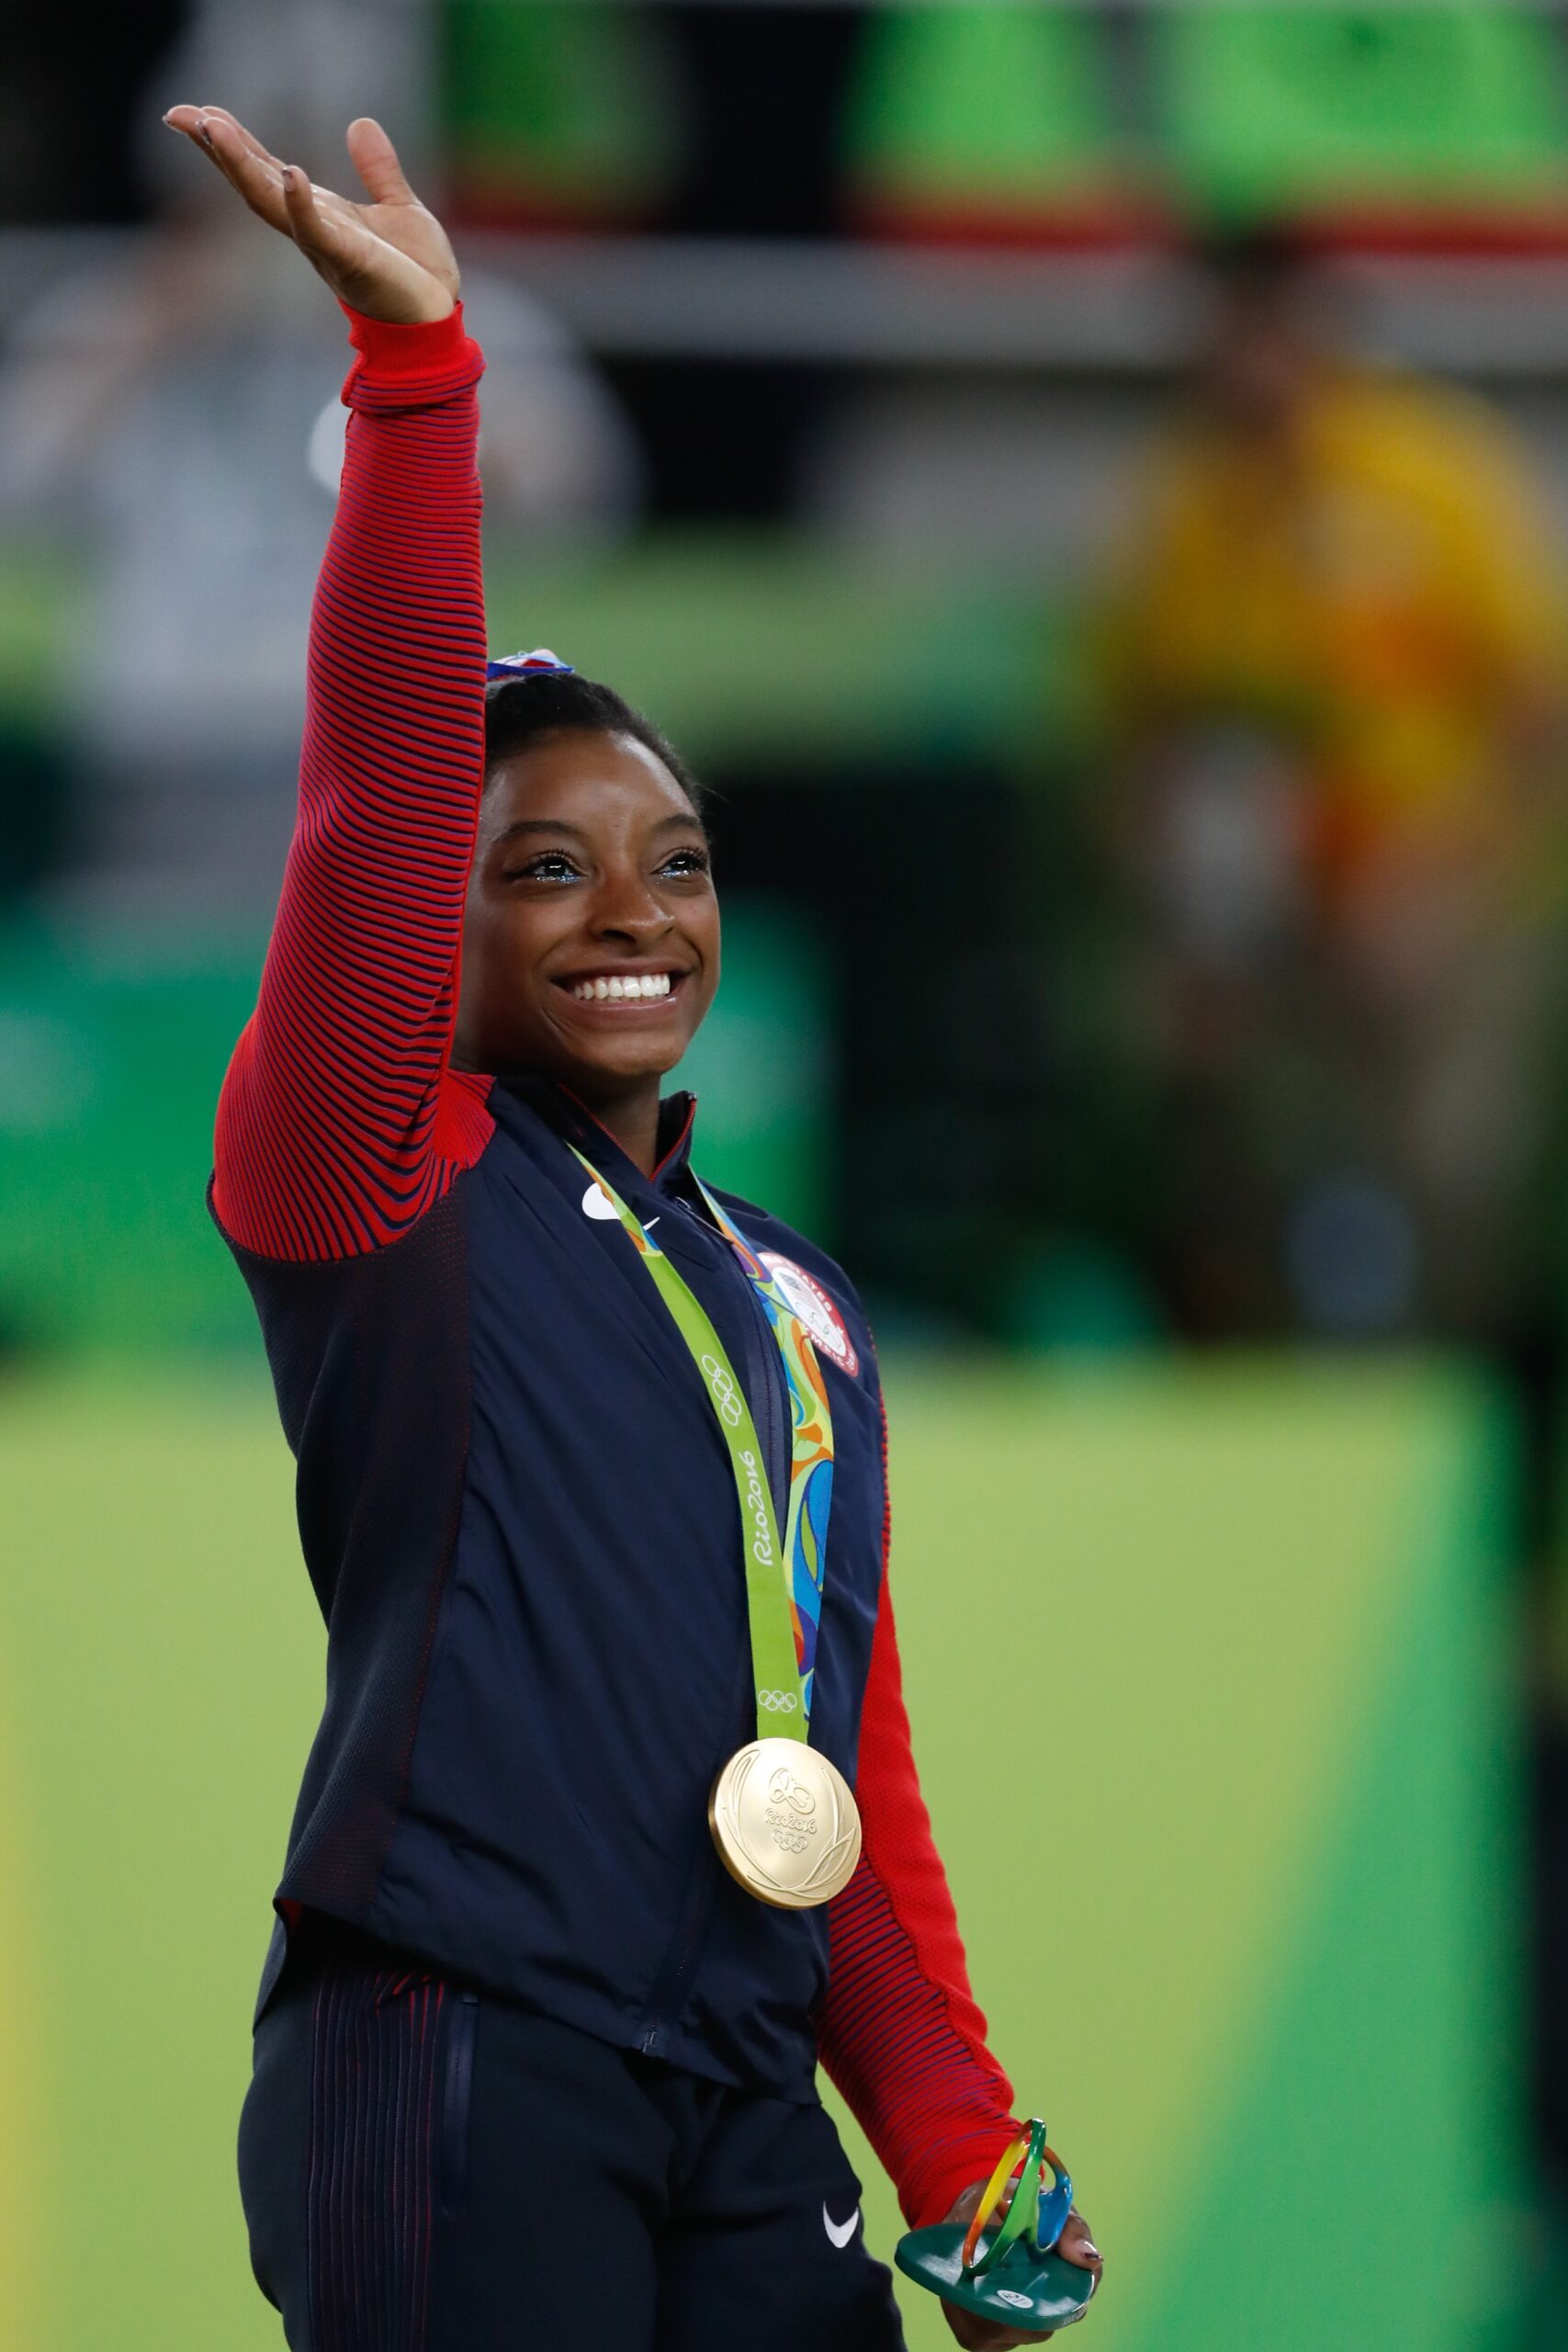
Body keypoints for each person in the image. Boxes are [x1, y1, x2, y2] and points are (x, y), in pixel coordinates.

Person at [164, 102, 1102, 2352]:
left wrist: (954, 2141)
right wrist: (418, 392)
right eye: (546, 864)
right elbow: (379, 792)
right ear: (441, 932)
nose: (632, 911)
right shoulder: (370, 1173)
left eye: (671, 856)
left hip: (735, 2092)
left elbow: (835, 1752)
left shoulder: (797, 1299)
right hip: (459, 2044)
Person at [1098, 225, 1567, 1342]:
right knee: (1236, 1157)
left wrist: (1444, 886)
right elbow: (1144, 735)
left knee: (1449, 1172)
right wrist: (1189, 930)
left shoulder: (1437, 474)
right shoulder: (1186, 503)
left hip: (1442, 888)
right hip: (1264, 906)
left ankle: (1452, 1422)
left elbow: (1536, 716)